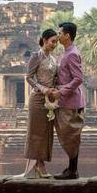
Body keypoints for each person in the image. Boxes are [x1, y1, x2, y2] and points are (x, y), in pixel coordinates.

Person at [47, 22, 85, 179]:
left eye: (60, 33)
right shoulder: (67, 52)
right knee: (68, 135)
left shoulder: (72, 54)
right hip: (66, 101)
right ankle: (72, 169)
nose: (58, 36)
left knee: (71, 135)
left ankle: (73, 170)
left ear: (67, 35)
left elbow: (78, 78)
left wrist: (60, 92)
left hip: (71, 102)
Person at [21, 29, 59, 178]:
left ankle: (41, 163)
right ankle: (39, 164)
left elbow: (55, 78)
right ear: (44, 40)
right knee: (36, 132)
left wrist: (56, 91)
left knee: (47, 132)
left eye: (56, 41)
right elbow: (29, 78)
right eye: (53, 41)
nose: (55, 44)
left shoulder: (53, 59)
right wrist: (43, 89)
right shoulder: (36, 56)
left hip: (50, 100)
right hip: (37, 99)